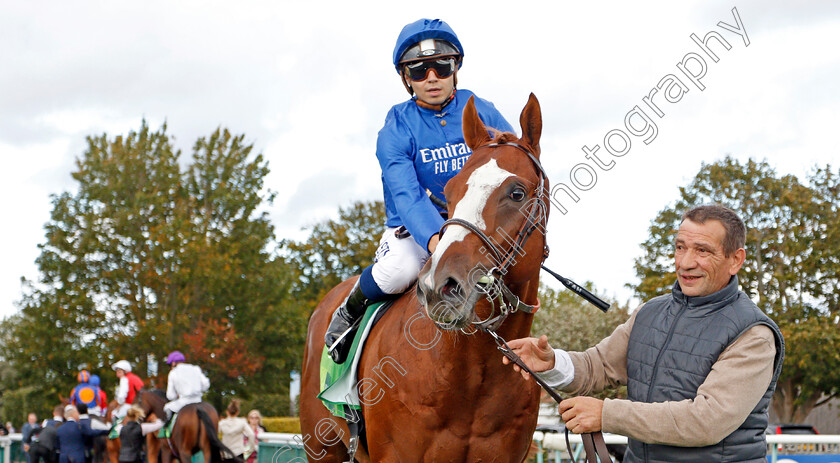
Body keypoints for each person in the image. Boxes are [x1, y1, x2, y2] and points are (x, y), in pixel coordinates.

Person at [505, 205, 785, 462]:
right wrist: (552, 363)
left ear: (735, 260)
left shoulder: (755, 334)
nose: (685, 262)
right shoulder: (649, 312)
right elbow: (597, 367)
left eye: (702, 251)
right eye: (680, 247)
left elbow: (706, 421)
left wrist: (606, 414)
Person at [323, 18, 515, 363]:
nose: (431, 78)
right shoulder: (395, 127)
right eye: (418, 70)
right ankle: (349, 312)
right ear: (405, 78)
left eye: (442, 66)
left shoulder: (483, 111)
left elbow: (511, 167)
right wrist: (437, 243)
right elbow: (407, 196)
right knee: (398, 271)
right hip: (415, 232)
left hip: (475, 226)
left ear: (455, 68)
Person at [162, 351, 210, 425]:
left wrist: (177, 395)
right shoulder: (196, 368)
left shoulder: (173, 373)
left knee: (167, 408)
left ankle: (168, 432)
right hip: (198, 400)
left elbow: (170, 396)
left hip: (184, 402)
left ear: (173, 363)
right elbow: (206, 384)